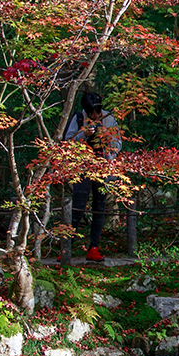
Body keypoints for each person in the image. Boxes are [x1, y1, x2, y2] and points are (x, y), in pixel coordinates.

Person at [63, 91, 120, 262]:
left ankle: (94, 247)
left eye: (98, 111)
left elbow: (118, 143)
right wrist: (83, 135)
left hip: (102, 168)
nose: (97, 115)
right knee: (78, 206)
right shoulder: (78, 119)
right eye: (93, 112)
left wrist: (109, 155)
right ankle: (67, 248)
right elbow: (67, 140)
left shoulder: (109, 119)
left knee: (99, 207)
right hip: (82, 168)